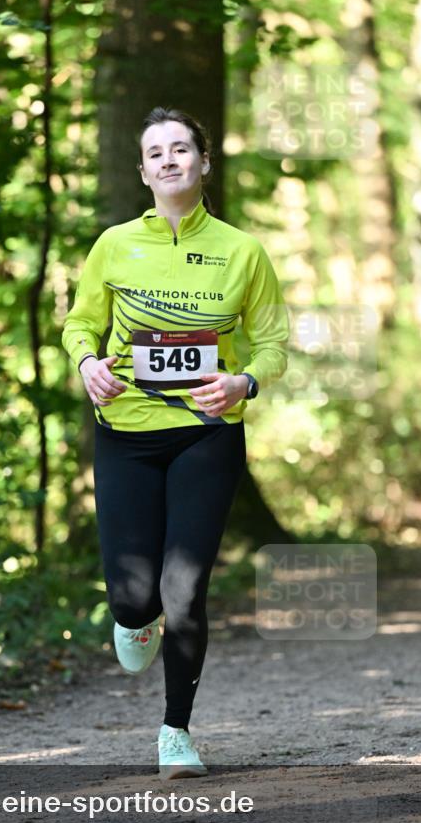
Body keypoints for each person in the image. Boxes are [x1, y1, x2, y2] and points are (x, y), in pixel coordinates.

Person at [62, 106, 288, 779]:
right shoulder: (112, 246)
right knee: (135, 597)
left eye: (180, 148)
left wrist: (243, 382)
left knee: (183, 589)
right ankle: (134, 619)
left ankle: (175, 731)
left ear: (202, 163)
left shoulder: (242, 251)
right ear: (142, 171)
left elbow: (272, 342)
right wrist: (86, 365)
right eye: (155, 151)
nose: (168, 159)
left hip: (205, 434)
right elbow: (80, 323)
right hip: (125, 433)